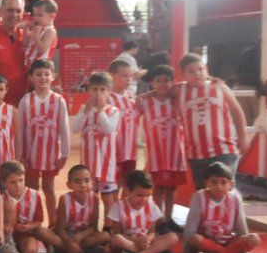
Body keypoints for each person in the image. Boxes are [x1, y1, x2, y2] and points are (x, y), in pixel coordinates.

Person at [175, 53, 248, 188]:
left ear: (206, 69)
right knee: (203, 192)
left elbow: (237, 112)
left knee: (225, 189)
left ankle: (234, 209)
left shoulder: (220, 87)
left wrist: (243, 138)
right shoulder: (179, 90)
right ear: (183, 75)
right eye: (191, 71)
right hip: (196, 153)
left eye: (200, 69)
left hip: (224, 149)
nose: (197, 74)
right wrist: (146, 95)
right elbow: (160, 91)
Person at [15, 59, 69, 225]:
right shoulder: (26, 100)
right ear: (31, 77)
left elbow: (64, 129)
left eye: (47, 74)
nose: (43, 77)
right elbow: (20, 130)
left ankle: (53, 222)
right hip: (31, 154)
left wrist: (65, 154)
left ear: (53, 77)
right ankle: (32, 220)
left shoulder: (59, 100)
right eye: (38, 74)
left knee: (49, 188)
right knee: (32, 189)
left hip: (51, 154)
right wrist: (19, 153)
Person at [183, 162, 260, 253]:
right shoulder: (198, 197)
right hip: (205, 241)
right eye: (214, 182)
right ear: (207, 183)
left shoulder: (235, 199)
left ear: (230, 184)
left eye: (223, 183)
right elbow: (190, 228)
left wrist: (246, 249)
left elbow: (241, 227)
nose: (219, 186)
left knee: (254, 238)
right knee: (193, 238)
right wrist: (187, 249)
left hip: (227, 240)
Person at [137, 65, 187, 226]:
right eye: (158, 81)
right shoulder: (145, 101)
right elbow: (130, 117)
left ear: (173, 82)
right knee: (157, 188)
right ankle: (157, 220)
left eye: (167, 81)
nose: (163, 84)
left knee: (172, 188)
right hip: (156, 154)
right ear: (152, 83)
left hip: (175, 153)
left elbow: (186, 87)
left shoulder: (178, 100)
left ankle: (168, 218)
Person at [71, 71, 121, 216]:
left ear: (109, 91)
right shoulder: (84, 110)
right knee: (89, 198)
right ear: (89, 90)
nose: (98, 93)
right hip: (88, 164)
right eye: (95, 89)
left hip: (106, 164)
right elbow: (75, 128)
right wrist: (86, 110)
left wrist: (100, 111)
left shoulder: (113, 111)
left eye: (102, 90)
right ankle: (90, 225)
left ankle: (108, 226)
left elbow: (108, 129)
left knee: (107, 197)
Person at [107, 171, 179, 253]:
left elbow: (152, 232)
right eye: (139, 195)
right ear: (127, 191)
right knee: (116, 239)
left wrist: (148, 239)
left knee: (173, 237)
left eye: (148, 195)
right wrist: (137, 241)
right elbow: (118, 233)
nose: (144, 199)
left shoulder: (151, 205)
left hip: (146, 243)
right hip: (129, 242)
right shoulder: (118, 207)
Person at [0, 160, 62, 253]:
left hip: (26, 233)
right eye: (13, 182)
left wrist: (28, 227)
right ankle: (9, 245)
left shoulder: (34, 195)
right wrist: (8, 228)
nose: (18, 185)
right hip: (7, 235)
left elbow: (39, 221)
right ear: (3, 182)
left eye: (21, 180)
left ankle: (53, 245)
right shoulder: (1, 198)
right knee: (11, 203)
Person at [54, 165, 109, 253]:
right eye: (77, 182)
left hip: (84, 237)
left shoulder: (94, 198)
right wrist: (69, 242)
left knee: (105, 235)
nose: (83, 185)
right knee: (44, 233)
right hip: (67, 236)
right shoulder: (64, 199)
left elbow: (93, 227)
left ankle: (68, 250)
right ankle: (82, 251)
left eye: (87, 181)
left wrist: (78, 237)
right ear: (69, 185)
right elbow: (60, 229)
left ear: (92, 182)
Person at [108, 59, 138, 189]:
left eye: (131, 76)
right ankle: (115, 208)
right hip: (115, 150)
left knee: (128, 183)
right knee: (115, 184)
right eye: (124, 76)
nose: (128, 79)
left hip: (130, 150)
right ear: (112, 76)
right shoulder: (107, 97)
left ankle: (124, 208)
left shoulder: (132, 96)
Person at [22, 0, 58, 70]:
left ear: (52, 16)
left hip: (40, 67)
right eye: (35, 15)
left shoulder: (50, 31)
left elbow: (43, 50)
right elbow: (25, 43)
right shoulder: (37, 28)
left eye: (40, 15)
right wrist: (26, 28)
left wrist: (36, 35)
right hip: (28, 64)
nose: (36, 18)